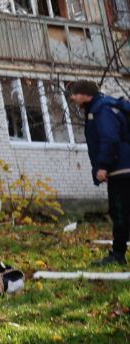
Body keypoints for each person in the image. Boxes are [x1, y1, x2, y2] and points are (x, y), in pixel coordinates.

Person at [69, 80, 130, 266]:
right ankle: (118, 253)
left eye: (76, 93)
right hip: (123, 166)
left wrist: (103, 165)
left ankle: (118, 255)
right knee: (123, 212)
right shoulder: (104, 107)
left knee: (120, 212)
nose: (73, 97)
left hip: (121, 168)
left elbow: (109, 138)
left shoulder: (101, 110)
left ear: (86, 95)